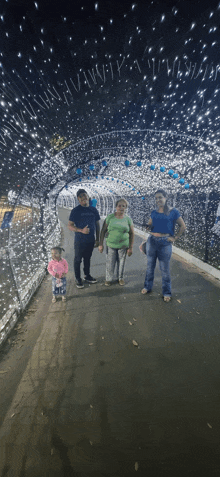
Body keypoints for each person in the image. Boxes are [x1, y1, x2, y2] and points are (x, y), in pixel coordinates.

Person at [141, 189, 186, 302]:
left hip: (165, 242)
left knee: (164, 269)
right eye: (156, 198)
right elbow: (151, 224)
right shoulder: (154, 212)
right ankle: (147, 286)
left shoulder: (173, 211)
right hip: (152, 241)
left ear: (166, 198)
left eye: (160, 197)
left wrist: (175, 238)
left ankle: (167, 292)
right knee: (150, 267)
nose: (158, 200)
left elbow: (182, 226)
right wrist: (148, 226)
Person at [68, 189, 100, 288]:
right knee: (78, 260)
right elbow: (70, 225)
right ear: (78, 199)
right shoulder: (75, 211)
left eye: (84, 195)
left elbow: (97, 224)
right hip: (79, 240)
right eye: (80, 196)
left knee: (87, 258)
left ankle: (87, 276)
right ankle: (78, 278)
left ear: (88, 197)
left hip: (90, 240)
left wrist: (98, 239)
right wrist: (81, 230)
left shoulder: (93, 210)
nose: (83, 198)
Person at [98, 198, 134, 286]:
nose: (121, 208)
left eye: (123, 206)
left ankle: (120, 278)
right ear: (116, 207)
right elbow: (103, 231)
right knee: (110, 262)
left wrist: (130, 247)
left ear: (126, 208)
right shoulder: (110, 217)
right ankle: (108, 279)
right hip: (111, 245)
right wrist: (100, 244)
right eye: (119, 206)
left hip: (123, 246)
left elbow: (132, 233)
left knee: (121, 263)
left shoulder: (128, 219)